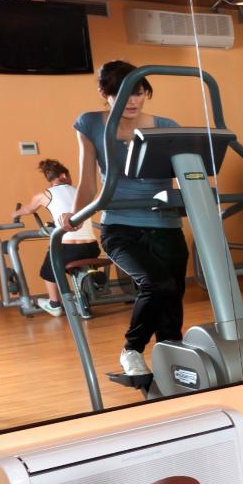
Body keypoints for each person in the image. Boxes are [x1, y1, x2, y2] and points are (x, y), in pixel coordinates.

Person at [71, 61, 183, 378]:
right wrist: (75, 216)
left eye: (139, 93)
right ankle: (132, 350)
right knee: (156, 283)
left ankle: (173, 357)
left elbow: (184, 174)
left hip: (164, 224)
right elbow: (87, 179)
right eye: (122, 94)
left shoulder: (166, 125)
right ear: (103, 93)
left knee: (171, 295)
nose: (132, 101)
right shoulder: (91, 123)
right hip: (120, 225)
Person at [16, 159, 97, 315]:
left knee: (48, 270)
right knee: (69, 261)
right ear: (64, 175)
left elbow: (28, 209)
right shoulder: (81, 192)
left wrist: (15, 213)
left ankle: (54, 304)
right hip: (92, 247)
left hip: (68, 249)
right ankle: (82, 296)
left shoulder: (44, 195)